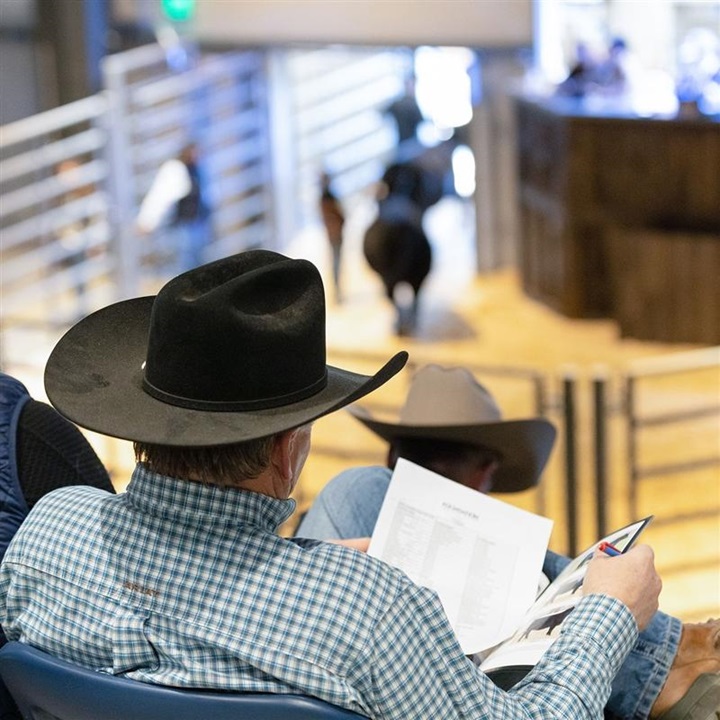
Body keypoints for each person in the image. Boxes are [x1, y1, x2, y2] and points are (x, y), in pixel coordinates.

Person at [1, 250, 664, 719]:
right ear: (289, 450)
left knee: (363, 489)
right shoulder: (373, 612)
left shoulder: (48, 531)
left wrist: (303, 563)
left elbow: (178, 618)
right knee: (364, 490)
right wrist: (610, 615)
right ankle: (670, 653)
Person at [296, 364, 720, 720]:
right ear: (485, 471)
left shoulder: (354, 505)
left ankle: (669, 654)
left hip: (357, 681)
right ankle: (666, 659)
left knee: (358, 488)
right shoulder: (368, 495)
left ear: (394, 457)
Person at [136, 142, 212, 274]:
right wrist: (147, 220)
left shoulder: (198, 170)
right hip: (180, 226)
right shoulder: (174, 170)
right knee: (183, 265)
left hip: (197, 224)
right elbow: (159, 197)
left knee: (198, 263)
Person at [319, 172, 345, 304]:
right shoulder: (326, 198)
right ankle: (336, 291)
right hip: (334, 234)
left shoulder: (327, 197)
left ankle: (337, 290)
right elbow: (335, 215)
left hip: (335, 233)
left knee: (336, 262)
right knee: (336, 262)